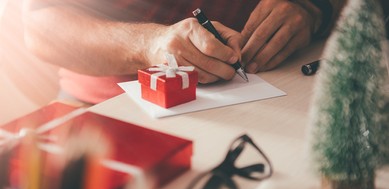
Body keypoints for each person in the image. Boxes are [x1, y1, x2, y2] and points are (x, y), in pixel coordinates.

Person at [22, 0, 347, 104]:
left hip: (279, 72)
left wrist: (314, 5)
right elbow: (39, 26)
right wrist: (148, 45)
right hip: (112, 102)